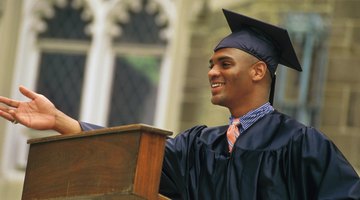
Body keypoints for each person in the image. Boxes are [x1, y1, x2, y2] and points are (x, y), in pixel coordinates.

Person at [0, 9, 359, 200]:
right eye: (210, 64)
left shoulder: (301, 144)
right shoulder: (199, 145)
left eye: (224, 64)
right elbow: (135, 152)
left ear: (258, 71)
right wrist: (64, 122)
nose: (212, 73)